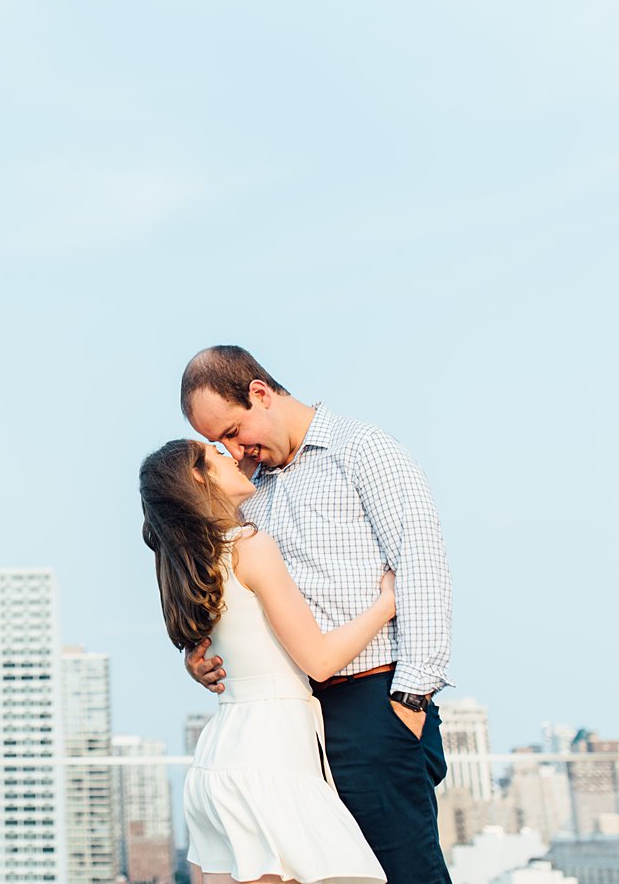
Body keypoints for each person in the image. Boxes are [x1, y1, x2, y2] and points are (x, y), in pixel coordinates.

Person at [180, 345, 453, 884]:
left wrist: (410, 701)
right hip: (293, 725)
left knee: (405, 872)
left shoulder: (362, 451)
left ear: (260, 392)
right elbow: (230, 593)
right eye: (220, 443)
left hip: (374, 704)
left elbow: (421, 569)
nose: (234, 450)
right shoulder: (247, 492)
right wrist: (195, 652)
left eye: (234, 431)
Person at [141, 438, 392, 884]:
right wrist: (385, 605)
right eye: (216, 454)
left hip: (218, 760)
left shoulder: (191, 566)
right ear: (199, 478)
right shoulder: (251, 547)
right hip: (270, 757)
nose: (232, 454)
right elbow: (318, 660)